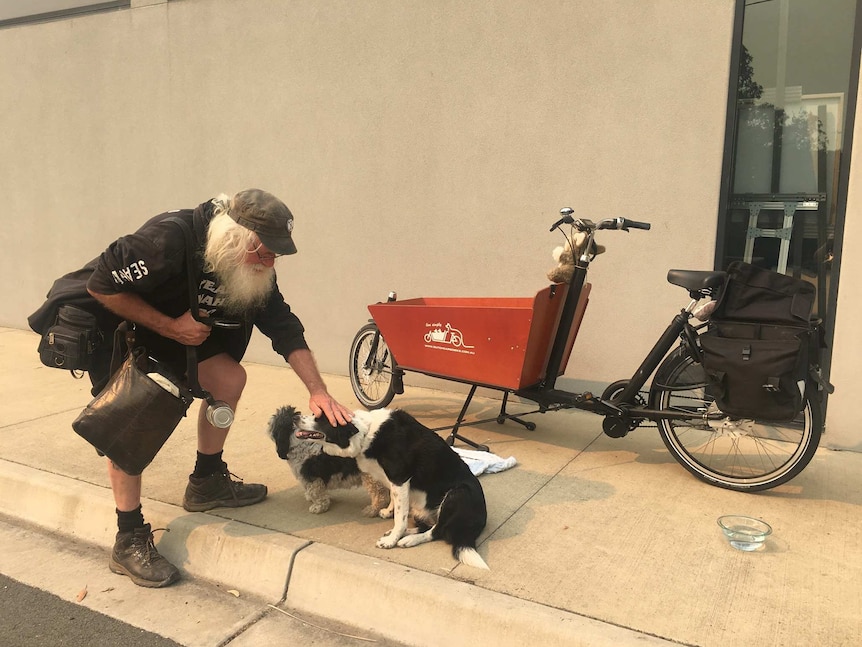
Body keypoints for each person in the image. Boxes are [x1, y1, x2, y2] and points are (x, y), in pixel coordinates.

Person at [61, 189, 352, 588]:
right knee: (131, 421)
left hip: (183, 335)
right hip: (129, 330)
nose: (269, 262)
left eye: (274, 256)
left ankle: (206, 481)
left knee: (230, 378)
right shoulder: (167, 240)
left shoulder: (252, 263)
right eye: (263, 252)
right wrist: (168, 326)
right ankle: (127, 537)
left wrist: (318, 390)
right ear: (234, 237)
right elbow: (101, 285)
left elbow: (282, 325)